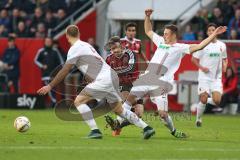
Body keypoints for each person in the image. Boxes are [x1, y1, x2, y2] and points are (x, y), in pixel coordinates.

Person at [110, 9, 226, 138]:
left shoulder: (181, 48)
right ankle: (117, 124)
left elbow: (200, 46)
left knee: (163, 114)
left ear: (173, 35)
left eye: (166, 34)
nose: (164, 35)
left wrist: (214, 33)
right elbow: (148, 31)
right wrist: (147, 16)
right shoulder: (160, 42)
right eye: (164, 33)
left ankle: (173, 131)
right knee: (129, 100)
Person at [37, 25, 155, 139]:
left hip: (103, 79)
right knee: (119, 110)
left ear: (67, 36)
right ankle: (146, 128)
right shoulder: (87, 45)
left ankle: (95, 130)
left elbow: (65, 69)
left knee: (79, 102)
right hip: (111, 77)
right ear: (79, 34)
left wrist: (50, 85)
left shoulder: (74, 48)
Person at [105, 36, 144, 136]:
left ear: (121, 45)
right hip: (123, 85)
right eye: (112, 49)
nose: (114, 50)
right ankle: (145, 128)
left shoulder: (131, 54)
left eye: (116, 48)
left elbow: (130, 68)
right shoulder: (109, 59)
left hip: (136, 84)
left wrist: (113, 72)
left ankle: (117, 125)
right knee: (129, 102)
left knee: (138, 115)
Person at [192, 23, 228, 127]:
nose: (211, 32)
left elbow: (225, 59)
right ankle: (198, 119)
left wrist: (225, 66)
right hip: (204, 77)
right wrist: (202, 68)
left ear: (216, 31)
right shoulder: (203, 44)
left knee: (217, 101)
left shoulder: (222, 45)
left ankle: (199, 105)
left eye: (213, 30)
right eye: (210, 30)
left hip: (216, 78)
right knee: (203, 97)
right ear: (207, 33)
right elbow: (193, 59)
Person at [35, 37, 64, 105]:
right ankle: (54, 102)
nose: (48, 42)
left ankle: (46, 103)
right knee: (49, 88)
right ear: (44, 42)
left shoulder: (55, 51)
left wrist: (59, 71)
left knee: (52, 89)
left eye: (49, 41)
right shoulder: (41, 51)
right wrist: (42, 66)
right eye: (46, 41)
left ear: (51, 42)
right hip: (45, 74)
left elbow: (61, 61)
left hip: (54, 74)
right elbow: (36, 60)